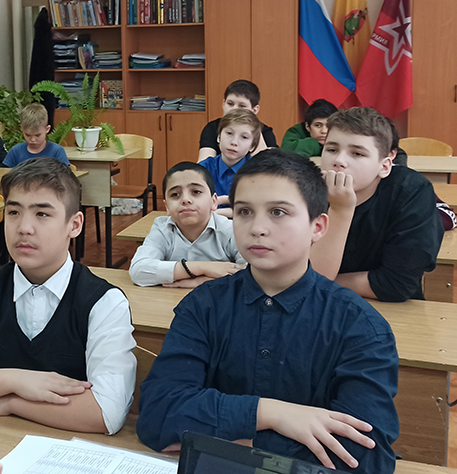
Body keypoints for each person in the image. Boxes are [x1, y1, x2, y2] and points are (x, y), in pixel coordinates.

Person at [137, 150, 399, 473]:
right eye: (244, 212)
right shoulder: (203, 305)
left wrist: (229, 440)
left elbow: (365, 457)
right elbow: (158, 416)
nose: (257, 228)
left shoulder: (360, 325)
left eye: (278, 212)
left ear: (318, 226)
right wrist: (271, 414)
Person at [0, 157, 136, 434]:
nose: (23, 227)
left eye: (42, 214)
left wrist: (10, 403)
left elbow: (106, 412)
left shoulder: (104, 302)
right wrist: (15, 381)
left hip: (64, 448)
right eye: (13, 212)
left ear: (75, 225)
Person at [313, 107, 443, 301]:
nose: (339, 161)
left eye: (357, 153)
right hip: (319, 304)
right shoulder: (306, 189)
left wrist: (317, 284)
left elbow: (397, 284)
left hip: (389, 309)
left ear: (384, 166)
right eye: (332, 150)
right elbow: (302, 277)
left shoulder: (411, 191)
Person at [129, 161, 244, 287]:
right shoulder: (162, 228)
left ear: (214, 201)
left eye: (196, 192)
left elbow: (253, 274)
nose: (185, 200)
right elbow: (138, 270)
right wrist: (204, 268)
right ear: (167, 207)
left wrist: (200, 282)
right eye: (175, 194)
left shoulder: (231, 230)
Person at [198, 80, 276, 161]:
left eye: (242, 106)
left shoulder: (265, 132)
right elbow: (204, 162)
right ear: (223, 104)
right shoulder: (212, 128)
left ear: (254, 110)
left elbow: (273, 165)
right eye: (230, 104)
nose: (234, 109)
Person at [198, 109, 261, 204]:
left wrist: (221, 202)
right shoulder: (203, 169)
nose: (234, 142)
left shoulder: (258, 172)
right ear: (219, 137)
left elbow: (256, 206)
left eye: (244, 137)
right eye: (229, 133)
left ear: (252, 146)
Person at [3, 103, 70, 167]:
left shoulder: (57, 151)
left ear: (47, 129)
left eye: (37, 135)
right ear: (22, 129)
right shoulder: (15, 151)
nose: (32, 140)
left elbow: (65, 174)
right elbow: (5, 172)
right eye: (28, 135)